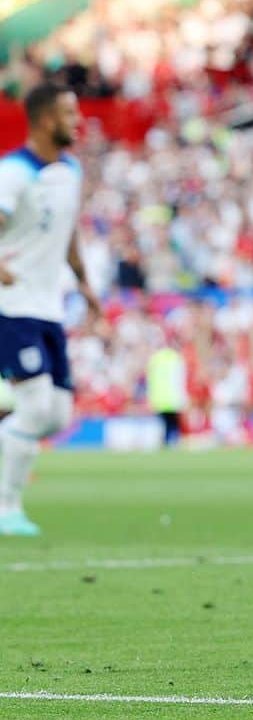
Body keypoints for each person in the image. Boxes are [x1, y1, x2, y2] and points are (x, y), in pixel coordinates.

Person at [0, 83, 101, 535]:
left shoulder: (71, 172)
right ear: (44, 120)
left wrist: (83, 281)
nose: (78, 121)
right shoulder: (15, 172)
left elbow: (67, 231)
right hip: (9, 305)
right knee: (36, 406)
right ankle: (6, 510)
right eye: (68, 113)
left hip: (47, 309)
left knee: (57, 414)